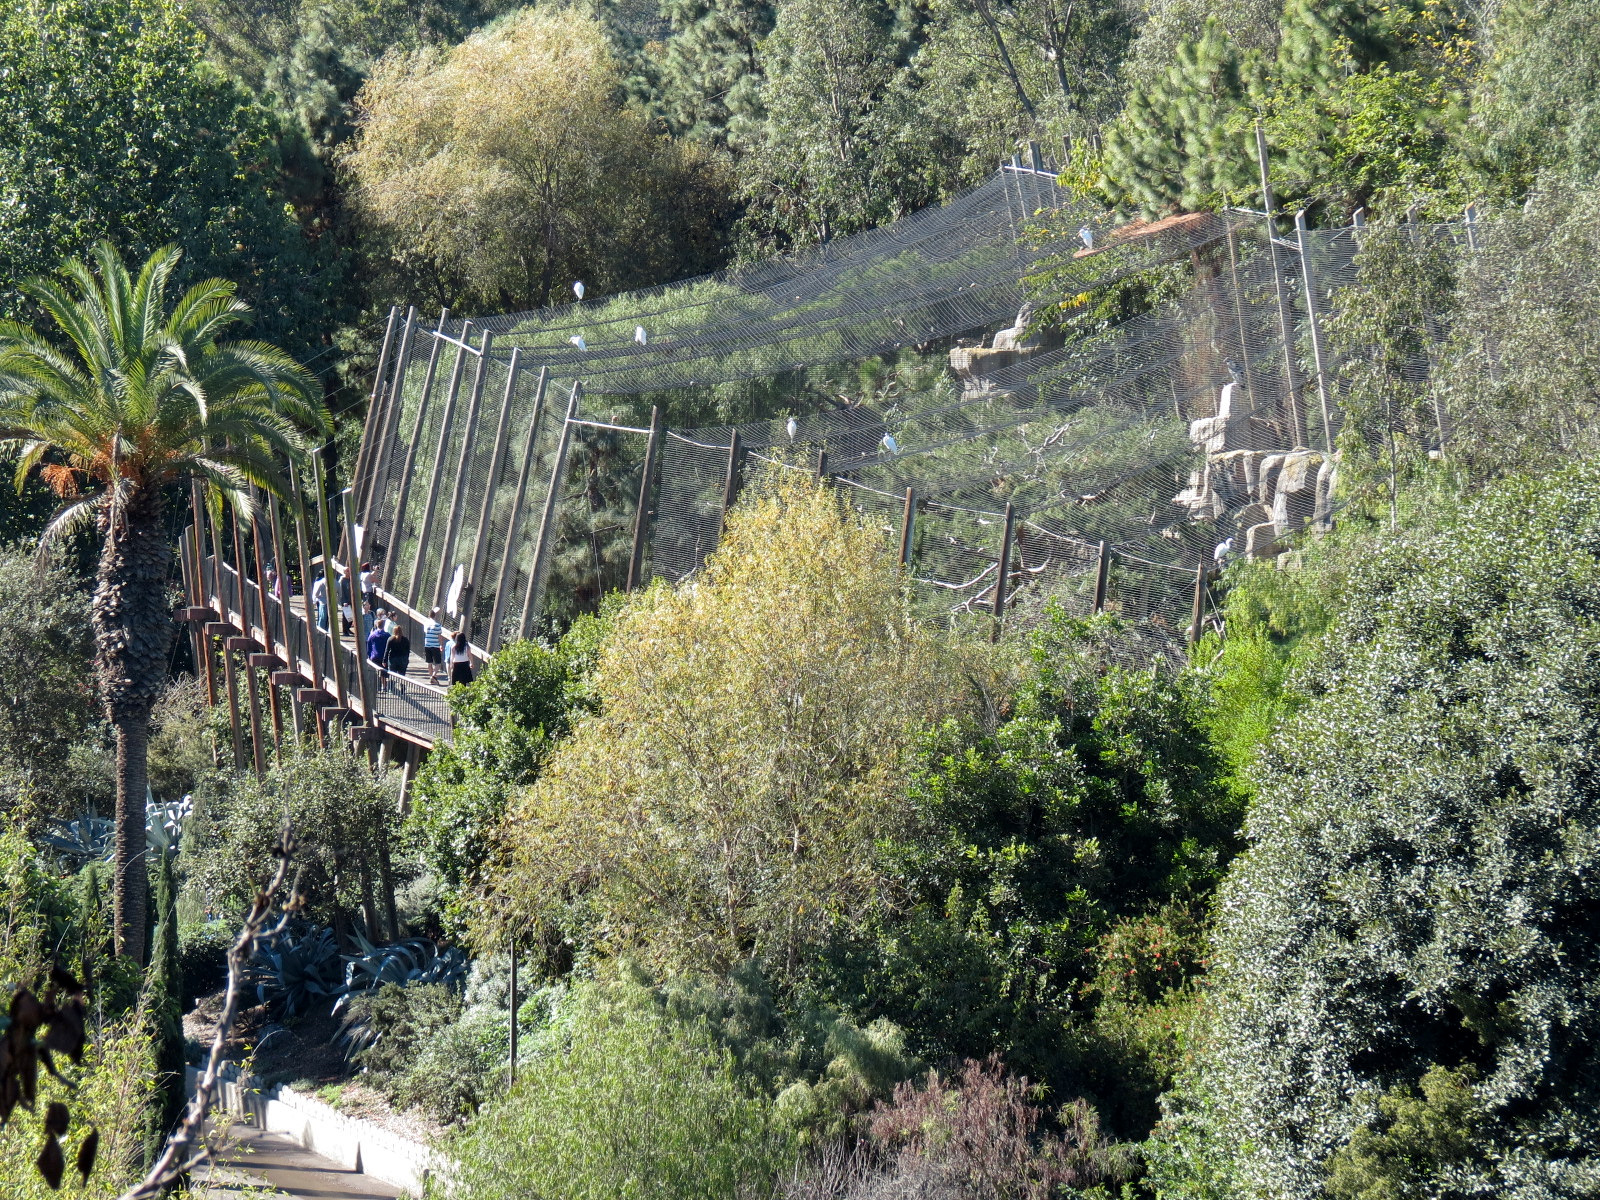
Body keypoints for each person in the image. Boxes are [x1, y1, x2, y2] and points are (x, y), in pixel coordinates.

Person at [384, 622, 412, 695]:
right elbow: (408, 651)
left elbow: (387, 650)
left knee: (392, 674)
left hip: (393, 659)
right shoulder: (405, 640)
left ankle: (391, 689)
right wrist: (406, 659)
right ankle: (403, 689)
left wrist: (384, 660)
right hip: (403, 659)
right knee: (402, 675)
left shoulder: (390, 639)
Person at [366, 617, 390, 691]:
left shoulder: (372, 635)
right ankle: (384, 686)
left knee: (374, 671)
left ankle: (375, 686)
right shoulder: (387, 635)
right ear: (383, 626)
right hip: (383, 656)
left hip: (374, 656)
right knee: (383, 672)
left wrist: (369, 654)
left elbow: (369, 645)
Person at [423, 607, 446, 685]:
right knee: (438, 663)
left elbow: (426, 632)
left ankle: (431, 678)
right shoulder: (437, 625)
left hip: (427, 644)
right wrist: (441, 645)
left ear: (429, 616)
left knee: (429, 663)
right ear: (435, 616)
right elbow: (439, 636)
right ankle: (433, 676)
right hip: (435, 645)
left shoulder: (426, 624)